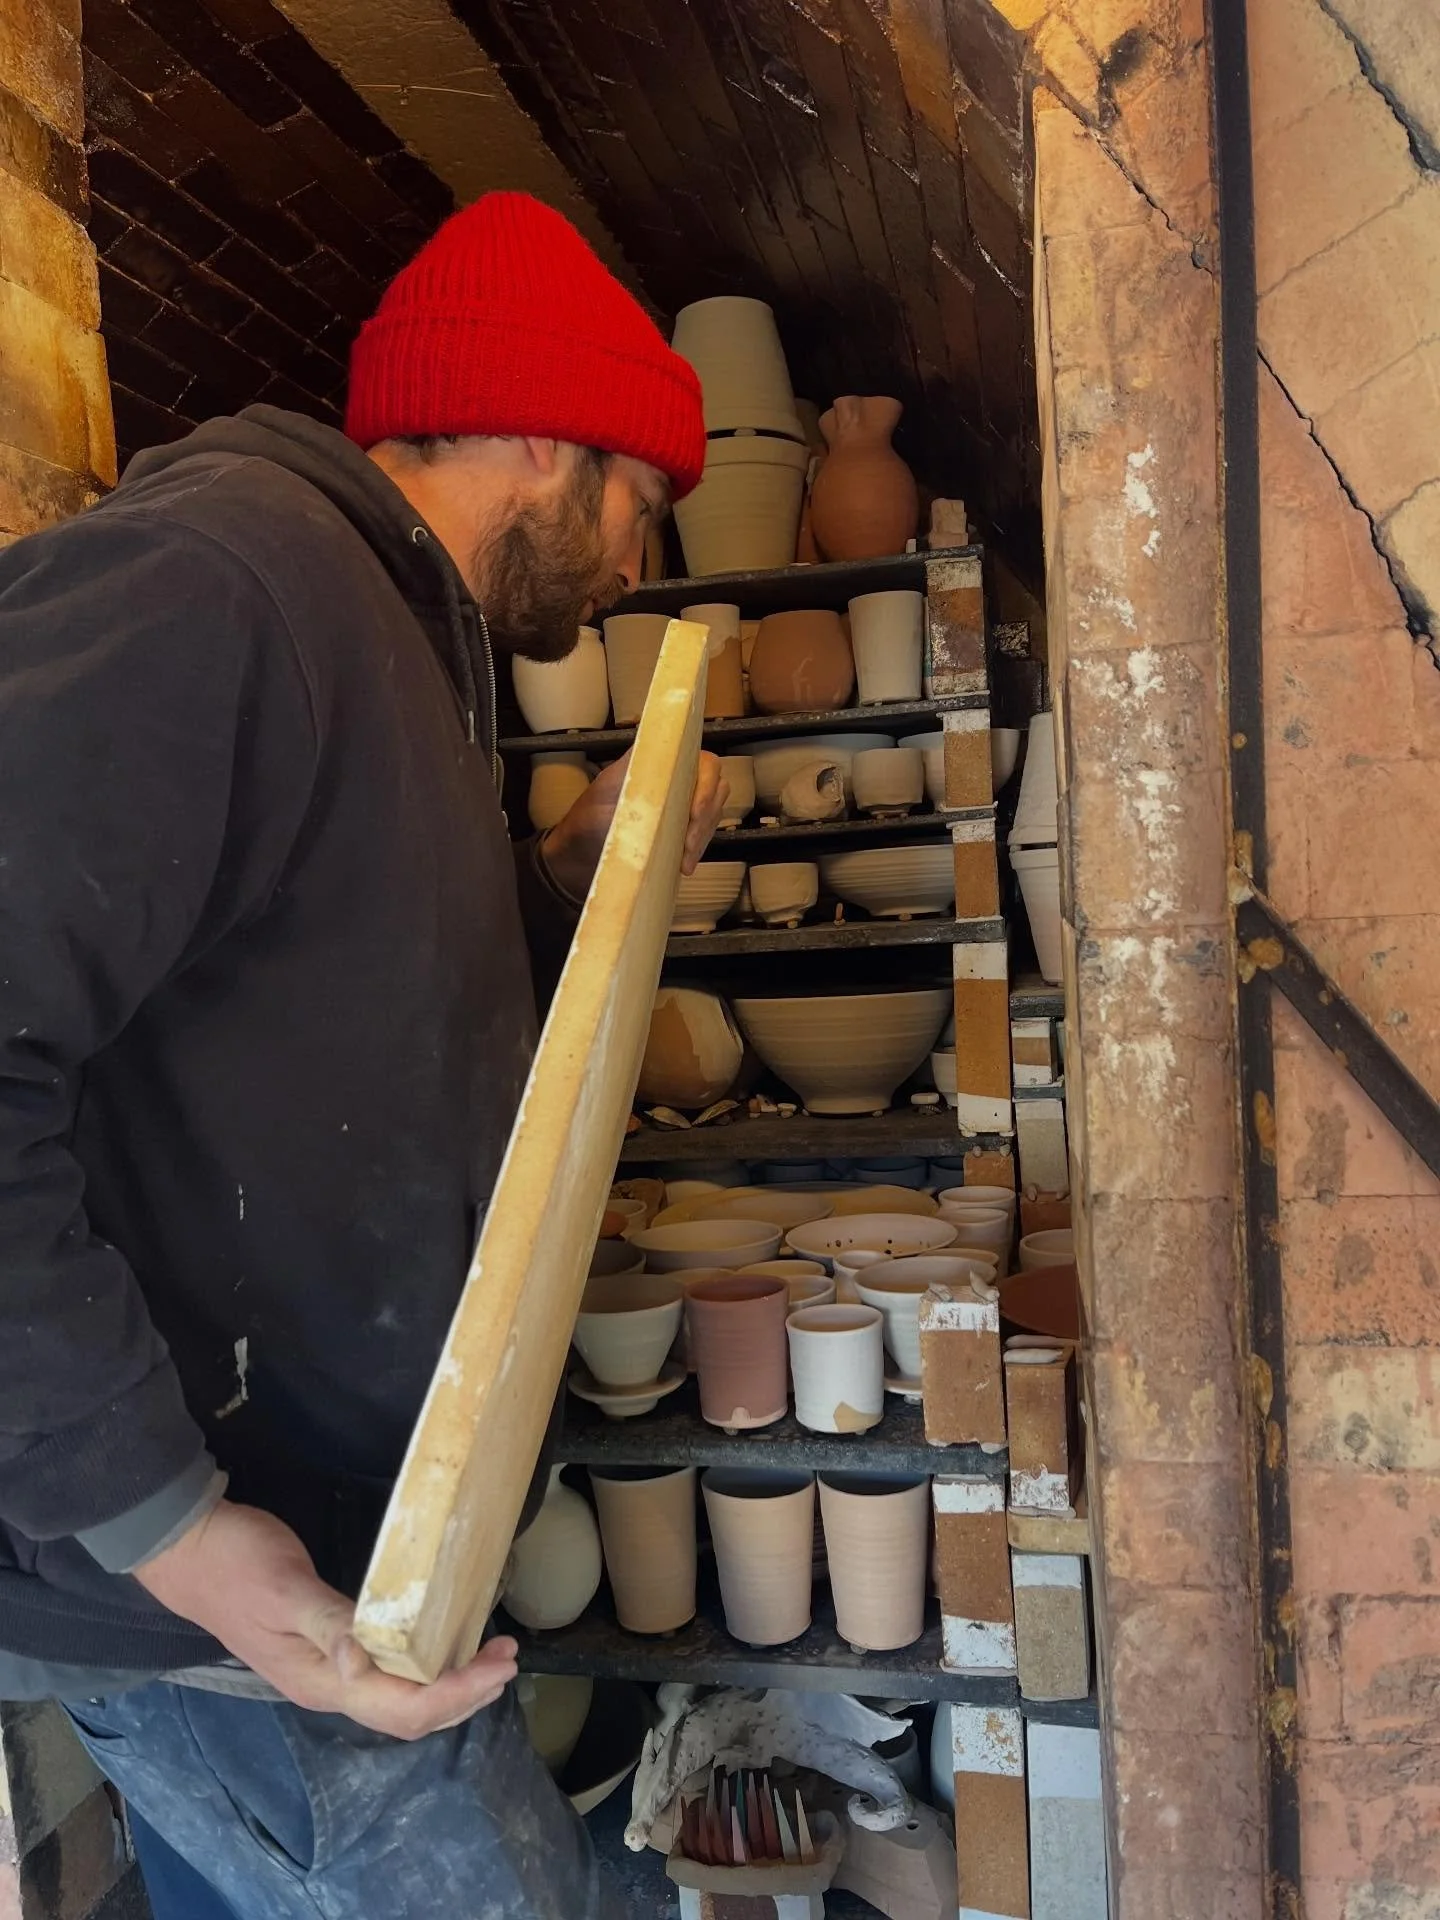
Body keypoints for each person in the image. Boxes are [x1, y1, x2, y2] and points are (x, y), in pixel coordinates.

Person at [0, 191, 723, 1917]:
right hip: (213, 1599)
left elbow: (355, 1012)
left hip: (341, 1567)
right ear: (545, 436)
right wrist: (168, 1521)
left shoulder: (403, 641)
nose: (639, 563)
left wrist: (567, 881)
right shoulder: (227, 582)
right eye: (642, 504)